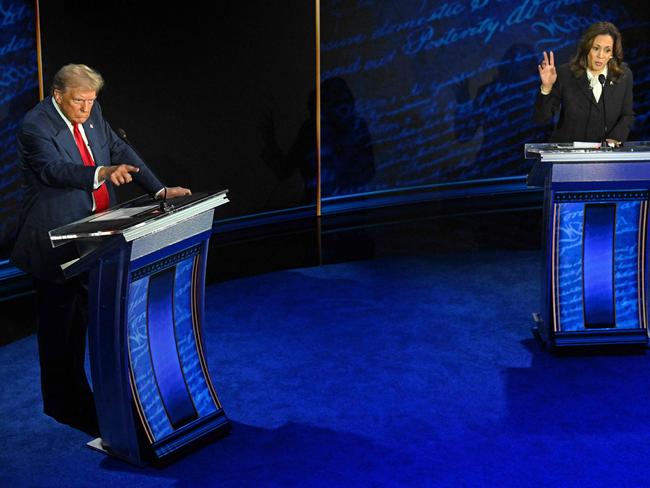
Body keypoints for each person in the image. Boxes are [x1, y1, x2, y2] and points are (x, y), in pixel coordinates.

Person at [11, 64, 191, 436]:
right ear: (58, 94)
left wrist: (157, 189)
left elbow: (118, 147)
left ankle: (112, 402)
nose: (87, 109)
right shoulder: (35, 126)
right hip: (54, 241)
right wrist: (101, 173)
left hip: (97, 236)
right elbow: (54, 170)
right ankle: (65, 405)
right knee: (63, 331)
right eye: (80, 101)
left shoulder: (93, 112)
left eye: (92, 101)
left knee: (102, 319)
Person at [534, 21, 634, 145]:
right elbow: (542, 119)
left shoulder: (623, 75)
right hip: (568, 155)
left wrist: (613, 140)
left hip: (606, 156)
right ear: (587, 48)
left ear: (612, 53)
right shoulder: (565, 74)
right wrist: (547, 87)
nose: (601, 55)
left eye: (607, 50)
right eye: (596, 48)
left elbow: (627, 115)